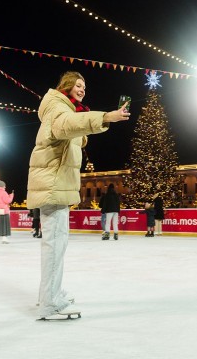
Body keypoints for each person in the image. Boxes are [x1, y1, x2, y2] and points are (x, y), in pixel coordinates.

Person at [27, 70, 129, 320]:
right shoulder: (57, 106)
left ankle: (50, 294)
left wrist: (82, 136)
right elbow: (65, 126)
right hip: (53, 186)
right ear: (67, 85)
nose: (83, 89)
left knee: (56, 245)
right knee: (54, 245)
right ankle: (49, 304)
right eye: (79, 85)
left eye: (85, 86)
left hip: (56, 184)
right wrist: (106, 117)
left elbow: (69, 129)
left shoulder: (62, 108)